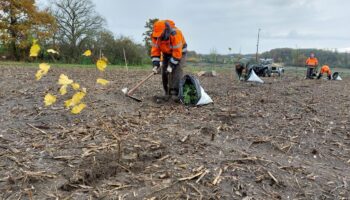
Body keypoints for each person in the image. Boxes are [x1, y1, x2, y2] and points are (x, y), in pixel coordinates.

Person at [151, 19, 187, 100]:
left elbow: (177, 53)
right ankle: (167, 93)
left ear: (165, 30)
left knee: (176, 71)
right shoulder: (155, 36)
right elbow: (155, 51)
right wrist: (155, 65)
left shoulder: (175, 34)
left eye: (160, 34)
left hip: (180, 53)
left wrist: (171, 65)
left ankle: (175, 93)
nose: (158, 36)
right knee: (165, 72)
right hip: (166, 53)